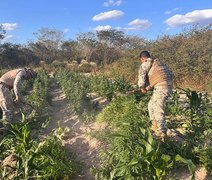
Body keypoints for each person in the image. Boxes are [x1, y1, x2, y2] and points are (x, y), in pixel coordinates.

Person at [137, 51, 173, 139]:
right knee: (151, 105)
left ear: (142, 58)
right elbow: (164, 76)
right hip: (167, 86)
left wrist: (142, 87)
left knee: (157, 108)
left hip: (161, 88)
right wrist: (149, 86)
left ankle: (162, 132)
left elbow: (142, 74)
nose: (142, 62)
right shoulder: (159, 63)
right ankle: (154, 126)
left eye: (141, 60)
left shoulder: (146, 63)